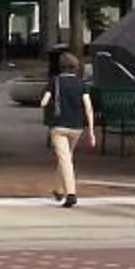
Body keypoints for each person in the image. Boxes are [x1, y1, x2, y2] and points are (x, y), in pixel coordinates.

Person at [44, 47, 97, 208]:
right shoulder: (81, 83)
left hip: (59, 125)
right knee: (66, 157)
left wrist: (47, 102)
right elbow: (88, 107)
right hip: (77, 126)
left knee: (64, 159)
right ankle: (58, 189)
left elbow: (44, 101)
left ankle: (71, 193)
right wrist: (92, 131)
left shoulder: (55, 81)